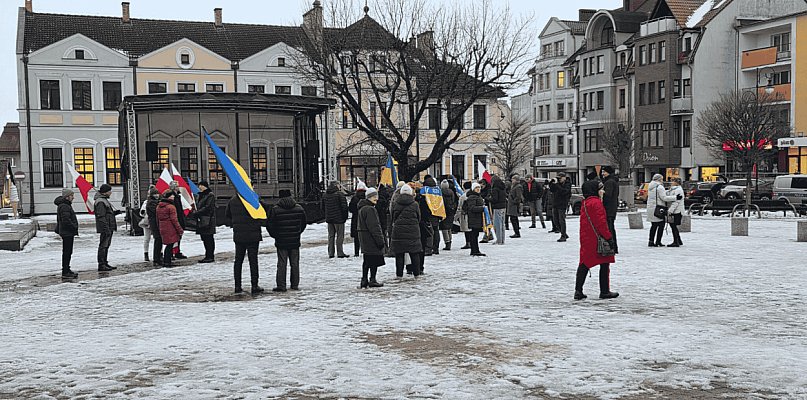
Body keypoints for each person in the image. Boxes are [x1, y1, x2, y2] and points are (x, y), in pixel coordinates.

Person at [575, 179, 619, 300]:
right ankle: (604, 291)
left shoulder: (585, 202)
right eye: (601, 189)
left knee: (584, 263)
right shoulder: (596, 203)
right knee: (605, 263)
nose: (603, 191)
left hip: (587, 238)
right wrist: (609, 238)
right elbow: (601, 223)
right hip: (597, 239)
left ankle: (578, 290)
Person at [267, 190, 307, 292]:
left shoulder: (275, 210)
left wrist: (276, 236)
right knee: (294, 263)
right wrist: (297, 233)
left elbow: (270, 225)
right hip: (294, 240)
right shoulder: (299, 208)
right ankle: (294, 285)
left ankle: (281, 285)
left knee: (282, 263)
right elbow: (303, 224)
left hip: (281, 241)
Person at [226, 195, 265, 294]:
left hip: (239, 235)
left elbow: (228, 214)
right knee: (253, 261)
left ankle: (237, 286)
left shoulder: (232, 200)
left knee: (238, 261)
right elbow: (264, 211)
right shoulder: (254, 199)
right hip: (253, 234)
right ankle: (254, 285)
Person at [390, 183, 423, 277]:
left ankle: (399, 274)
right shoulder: (415, 204)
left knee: (399, 254)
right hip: (413, 232)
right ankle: (416, 273)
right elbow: (418, 217)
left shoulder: (396, 203)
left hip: (398, 232)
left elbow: (393, 216)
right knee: (414, 253)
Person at [357, 187, 386, 288]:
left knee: (367, 260)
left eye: (376, 196)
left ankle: (364, 279)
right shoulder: (370, 209)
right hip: (371, 239)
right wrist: (380, 240)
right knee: (374, 259)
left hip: (365, 239)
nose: (376, 198)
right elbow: (374, 226)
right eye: (373, 196)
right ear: (368, 197)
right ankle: (372, 279)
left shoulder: (362, 208)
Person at [646, 174, 678, 247]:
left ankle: (651, 241)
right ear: (659, 179)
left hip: (651, 208)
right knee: (661, 225)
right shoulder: (659, 187)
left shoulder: (651, 186)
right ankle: (658, 241)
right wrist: (675, 197)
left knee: (653, 226)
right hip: (658, 209)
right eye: (662, 179)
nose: (662, 180)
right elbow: (664, 198)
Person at [54, 189, 79, 279]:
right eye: (72, 195)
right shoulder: (64, 206)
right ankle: (65, 271)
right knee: (67, 252)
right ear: (67, 196)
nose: (73, 197)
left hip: (67, 232)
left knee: (68, 252)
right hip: (67, 232)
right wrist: (73, 227)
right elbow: (66, 220)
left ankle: (67, 269)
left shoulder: (65, 205)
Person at [322, 180, 349, 258]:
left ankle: (331, 253)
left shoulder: (325, 195)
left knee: (331, 236)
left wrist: (327, 214)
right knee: (340, 236)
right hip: (339, 219)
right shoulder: (340, 194)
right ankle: (340, 252)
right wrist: (344, 217)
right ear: (336, 185)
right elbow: (344, 207)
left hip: (329, 218)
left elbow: (322, 207)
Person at [94, 184, 117, 272]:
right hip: (105, 227)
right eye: (109, 191)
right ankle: (101, 264)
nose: (111, 192)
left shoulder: (104, 200)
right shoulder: (100, 201)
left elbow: (106, 214)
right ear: (105, 192)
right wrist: (106, 228)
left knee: (106, 245)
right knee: (103, 245)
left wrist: (114, 213)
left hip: (108, 226)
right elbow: (101, 216)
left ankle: (105, 262)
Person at [157, 190, 183, 269]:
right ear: (169, 197)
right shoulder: (171, 207)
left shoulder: (159, 206)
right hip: (170, 228)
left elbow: (157, 219)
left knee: (168, 245)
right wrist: (179, 229)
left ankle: (166, 261)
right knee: (170, 245)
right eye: (172, 196)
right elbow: (174, 220)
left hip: (163, 227)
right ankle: (167, 261)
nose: (173, 197)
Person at [195, 181, 217, 263]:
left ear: (205, 186)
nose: (199, 187)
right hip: (202, 220)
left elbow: (208, 207)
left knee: (209, 238)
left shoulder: (210, 195)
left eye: (201, 185)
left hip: (208, 220)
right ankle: (207, 255)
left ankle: (210, 256)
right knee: (204, 238)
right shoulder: (201, 195)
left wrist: (198, 212)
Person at [462, 182, 486, 256]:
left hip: (476, 218)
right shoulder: (472, 197)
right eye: (476, 188)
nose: (478, 189)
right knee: (474, 235)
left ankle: (475, 250)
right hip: (474, 218)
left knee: (475, 234)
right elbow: (471, 208)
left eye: (479, 187)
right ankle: (475, 250)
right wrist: (482, 208)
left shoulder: (477, 196)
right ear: (473, 189)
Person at [420, 175, 441, 255]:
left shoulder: (424, 191)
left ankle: (429, 248)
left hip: (428, 214)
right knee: (436, 230)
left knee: (429, 231)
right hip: (437, 213)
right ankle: (436, 248)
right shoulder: (438, 191)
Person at [600, 166, 620, 253]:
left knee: (609, 228)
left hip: (608, 209)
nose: (602, 173)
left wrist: (602, 194)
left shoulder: (609, 182)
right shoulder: (612, 181)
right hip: (611, 208)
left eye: (604, 172)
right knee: (610, 227)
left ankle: (612, 246)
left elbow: (608, 196)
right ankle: (613, 246)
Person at [550, 172, 572, 242]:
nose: (559, 179)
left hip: (562, 203)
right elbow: (552, 190)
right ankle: (564, 233)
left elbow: (564, 192)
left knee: (561, 220)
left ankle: (563, 235)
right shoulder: (557, 184)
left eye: (560, 178)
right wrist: (552, 184)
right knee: (555, 220)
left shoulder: (568, 184)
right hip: (555, 203)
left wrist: (557, 185)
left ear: (564, 177)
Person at [169, 181, 188, 260]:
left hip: (179, 218)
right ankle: (172, 253)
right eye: (176, 186)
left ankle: (177, 251)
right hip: (175, 219)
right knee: (174, 238)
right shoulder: (172, 197)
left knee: (178, 237)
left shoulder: (178, 196)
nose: (178, 187)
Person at [145, 187, 163, 266]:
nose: (157, 195)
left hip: (156, 223)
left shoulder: (155, 202)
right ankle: (156, 259)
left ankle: (158, 257)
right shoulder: (151, 203)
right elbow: (157, 211)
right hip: (154, 223)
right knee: (158, 240)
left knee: (159, 240)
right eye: (155, 194)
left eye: (157, 193)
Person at [349, 181, 367, 257]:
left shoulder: (354, 198)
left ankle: (356, 252)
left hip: (356, 218)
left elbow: (350, 209)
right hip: (365, 218)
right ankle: (366, 251)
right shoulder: (366, 197)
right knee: (366, 235)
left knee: (357, 237)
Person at [666, 178, 685, 247]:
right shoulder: (674, 189)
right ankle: (679, 240)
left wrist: (670, 210)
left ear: (677, 183)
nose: (671, 182)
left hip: (677, 211)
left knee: (673, 226)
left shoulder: (678, 190)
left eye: (673, 181)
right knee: (673, 226)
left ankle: (676, 241)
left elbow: (676, 201)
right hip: (676, 210)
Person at [138, 185, 155, 262]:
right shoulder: (146, 202)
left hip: (155, 221)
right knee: (147, 238)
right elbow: (141, 213)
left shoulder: (157, 201)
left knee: (157, 238)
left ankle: (159, 253)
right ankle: (146, 253)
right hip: (147, 222)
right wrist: (143, 212)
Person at [439, 179, 457, 251]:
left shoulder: (441, 192)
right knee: (449, 227)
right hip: (451, 210)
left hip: (444, 211)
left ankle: (447, 243)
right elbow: (454, 200)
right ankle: (450, 241)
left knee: (444, 228)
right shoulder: (451, 192)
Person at [490, 175, 507, 244]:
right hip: (503, 207)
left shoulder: (495, 189)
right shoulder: (503, 188)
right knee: (502, 224)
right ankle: (502, 239)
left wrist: (488, 198)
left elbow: (495, 199)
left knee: (497, 224)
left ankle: (498, 240)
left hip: (497, 207)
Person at [457, 181, 472, 249]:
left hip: (464, 214)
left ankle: (468, 243)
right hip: (473, 214)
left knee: (466, 230)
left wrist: (456, 217)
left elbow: (459, 207)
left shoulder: (463, 196)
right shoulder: (474, 194)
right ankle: (472, 243)